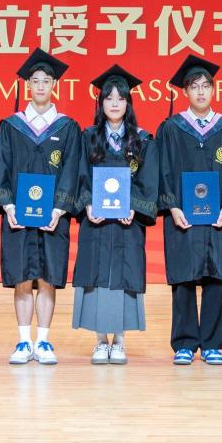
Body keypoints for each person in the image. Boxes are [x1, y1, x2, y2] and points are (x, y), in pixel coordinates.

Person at [154, 55, 222, 366]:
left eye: (206, 86)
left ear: (213, 90)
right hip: (182, 216)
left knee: (215, 277)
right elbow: (161, 171)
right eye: (194, 86)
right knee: (183, 278)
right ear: (185, 91)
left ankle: (212, 343)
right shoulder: (171, 129)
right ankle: (184, 343)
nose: (200, 91)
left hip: (217, 217)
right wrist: (171, 207)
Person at [0, 49, 83, 365]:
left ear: (55, 85)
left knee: (47, 277)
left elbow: (72, 170)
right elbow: (0, 167)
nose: (41, 86)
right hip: (18, 215)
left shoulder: (67, 127)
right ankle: (23, 341)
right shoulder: (11, 126)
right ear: (28, 85)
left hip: (53, 218)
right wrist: (8, 206)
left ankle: (43, 341)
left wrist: (59, 210)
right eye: (36, 81)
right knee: (21, 277)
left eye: (47, 81)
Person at [72, 65, 159, 365]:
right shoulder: (88, 137)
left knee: (124, 276)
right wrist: (87, 205)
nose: (114, 103)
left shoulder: (142, 140)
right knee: (97, 276)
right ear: (100, 103)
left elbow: (149, 181)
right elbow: (79, 175)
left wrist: (133, 206)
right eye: (108, 98)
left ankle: (119, 341)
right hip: (96, 222)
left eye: (120, 98)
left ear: (128, 103)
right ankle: (100, 341)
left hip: (127, 223)